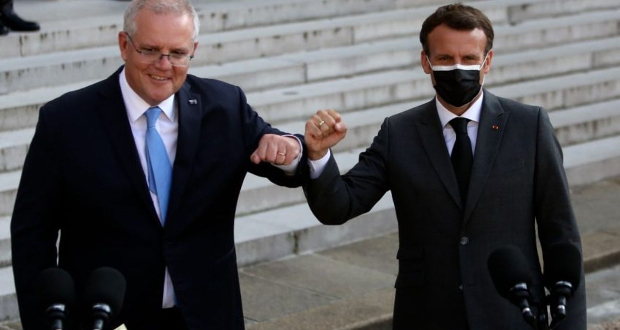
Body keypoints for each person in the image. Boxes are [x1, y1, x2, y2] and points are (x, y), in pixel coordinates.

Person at [10, 0, 306, 329]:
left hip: (205, 316)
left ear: (193, 50)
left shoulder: (225, 106)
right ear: (124, 45)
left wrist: (294, 149)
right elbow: (31, 236)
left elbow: (280, 155)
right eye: (150, 50)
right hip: (106, 318)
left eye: (177, 53)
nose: (164, 65)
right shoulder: (65, 121)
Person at [302, 3, 586, 330]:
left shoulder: (529, 126)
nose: (457, 68)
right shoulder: (399, 132)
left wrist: (569, 323)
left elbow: (561, 233)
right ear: (426, 62)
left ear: (487, 62)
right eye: (445, 59)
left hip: (511, 311)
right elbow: (340, 206)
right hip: (426, 314)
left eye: (468, 59)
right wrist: (318, 155)